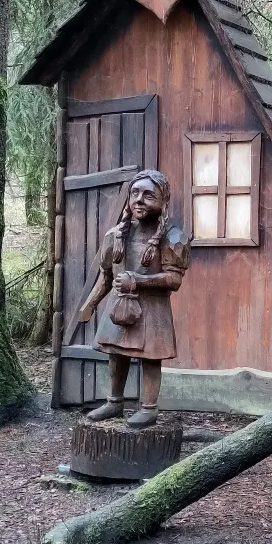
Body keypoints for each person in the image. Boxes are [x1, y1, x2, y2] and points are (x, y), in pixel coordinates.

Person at [77, 170, 190, 428]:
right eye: (135, 193)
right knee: (116, 354)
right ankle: (114, 402)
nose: (139, 199)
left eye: (149, 195)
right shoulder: (116, 235)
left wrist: (138, 280)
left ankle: (149, 408)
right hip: (119, 306)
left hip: (153, 309)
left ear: (163, 201)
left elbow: (174, 280)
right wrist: (91, 304)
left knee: (151, 357)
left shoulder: (173, 237)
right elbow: (107, 276)